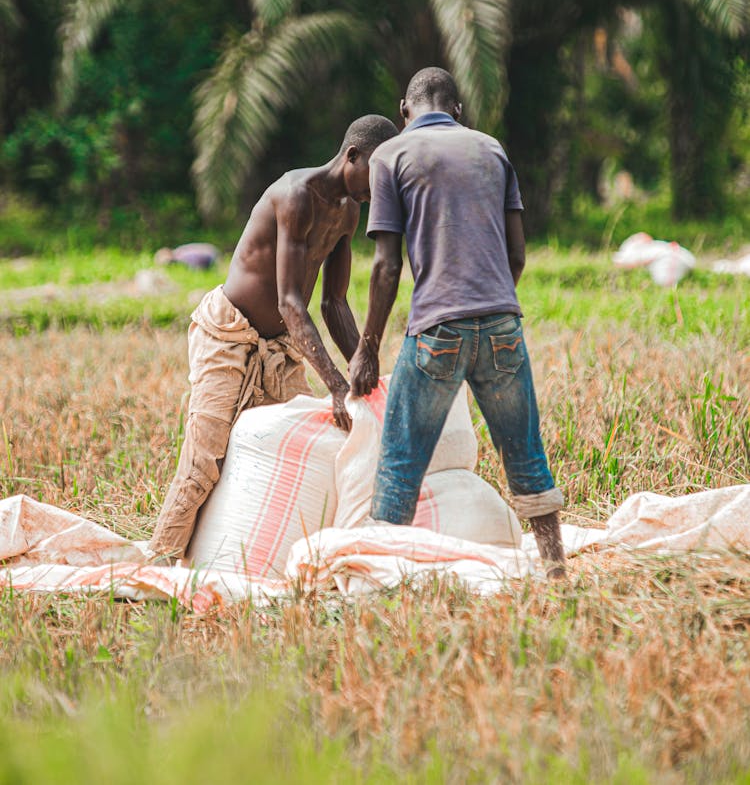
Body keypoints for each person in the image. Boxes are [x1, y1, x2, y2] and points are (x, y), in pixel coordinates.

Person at [348, 68, 567, 580]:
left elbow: (387, 266)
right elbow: (517, 255)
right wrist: (491, 308)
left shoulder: (391, 155)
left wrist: (368, 345)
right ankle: (557, 574)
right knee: (527, 456)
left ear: (405, 110)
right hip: (502, 326)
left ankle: (383, 581)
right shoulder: (491, 150)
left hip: (435, 333)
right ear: (458, 111)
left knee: (400, 467)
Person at [149, 114, 399, 560]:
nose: (379, 186)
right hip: (227, 333)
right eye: (377, 172)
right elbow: (290, 302)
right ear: (353, 156)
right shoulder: (296, 195)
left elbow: (334, 304)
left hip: (280, 347)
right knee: (205, 457)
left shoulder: (349, 212)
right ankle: (161, 560)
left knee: (299, 442)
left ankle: (248, 557)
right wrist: (337, 386)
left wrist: (364, 364)